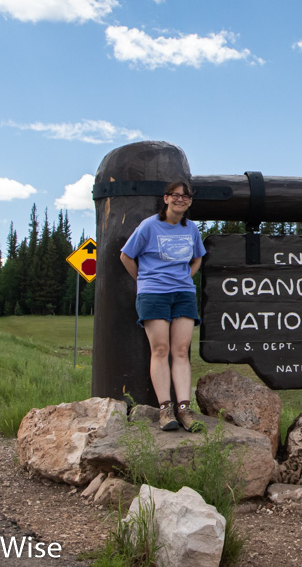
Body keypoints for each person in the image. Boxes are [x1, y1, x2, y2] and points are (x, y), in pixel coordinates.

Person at [120, 180, 206, 432]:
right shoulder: (149, 226)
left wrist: (186, 277)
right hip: (154, 294)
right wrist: (143, 280)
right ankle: (165, 409)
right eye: (175, 195)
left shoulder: (190, 228)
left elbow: (198, 256)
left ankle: (184, 409)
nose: (181, 200)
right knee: (160, 349)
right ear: (166, 199)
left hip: (183, 294)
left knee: (181, 350)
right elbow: (126, 255)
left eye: (186, 197)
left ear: (189, 202)